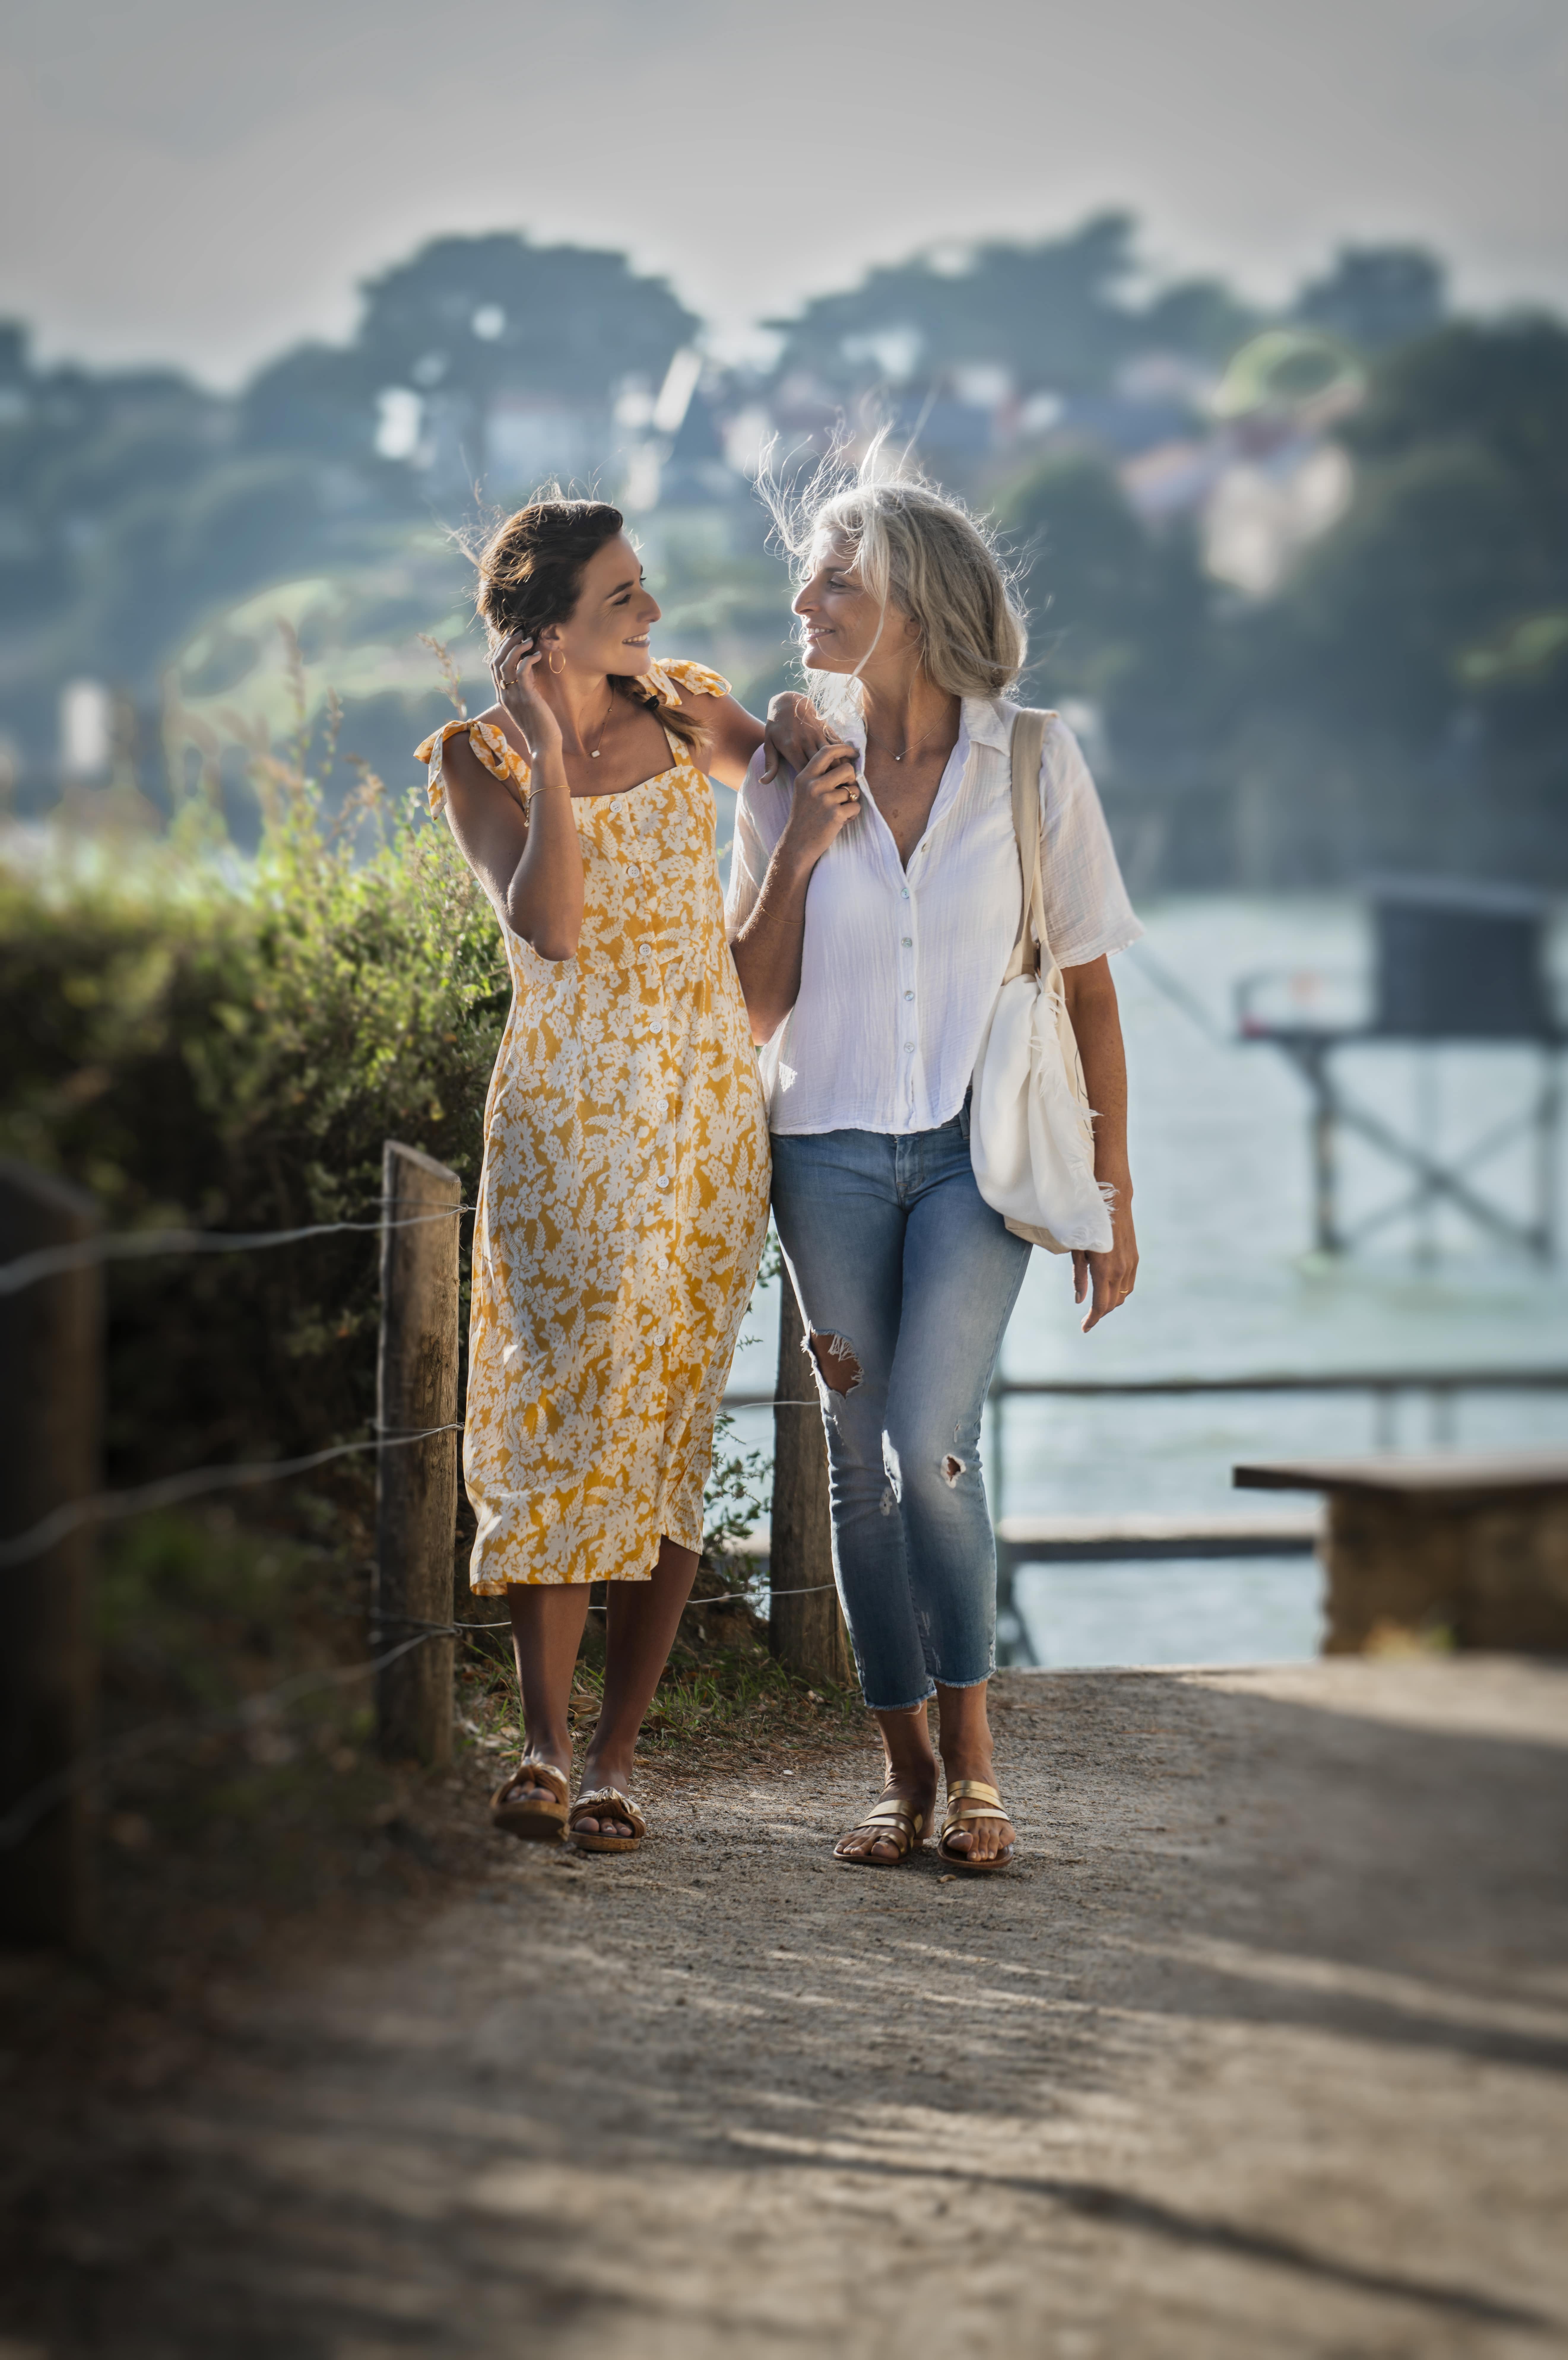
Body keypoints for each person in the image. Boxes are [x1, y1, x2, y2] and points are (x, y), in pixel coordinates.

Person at [727, 460, 1141, 1873]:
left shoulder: (1034, 762)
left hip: (979, 1159)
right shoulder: (786, 764)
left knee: (930, 1445)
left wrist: (1114, 1197)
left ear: (910, 600)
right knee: (858, 1463)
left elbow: (1088, 994)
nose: (806, 601)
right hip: (823, 1151)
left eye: (836, 579)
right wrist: (800, 844)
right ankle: (901, 1773)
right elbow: (753, 1000)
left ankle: (976, 1766)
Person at [418, 497, 807, 1853]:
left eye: (644, 590)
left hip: (701, 1122)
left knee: (665, 1426)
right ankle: (538, 1737)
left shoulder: (688, 707)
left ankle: (618, 1759)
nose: (650, 614)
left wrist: (817, 815)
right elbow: (554, 926)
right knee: (554, 1407)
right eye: (622, 598)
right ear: (543, 634)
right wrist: (542, 751)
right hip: (560, 1125)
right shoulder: (479, 765)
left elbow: (811, 790)